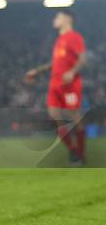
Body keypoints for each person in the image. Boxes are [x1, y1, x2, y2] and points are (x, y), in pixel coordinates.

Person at [26, 9, 86, 165]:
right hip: (55, 84)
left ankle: (80, 153)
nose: (54, 19)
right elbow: (55, 63)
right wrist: (37, 71)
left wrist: (72, 72)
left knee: (75, 118)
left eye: (57, 17)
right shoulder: (60, 39)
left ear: (67, 19)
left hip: (69, 84)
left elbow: (83, 58)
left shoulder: (74, 37)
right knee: (55, 119)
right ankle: (74, 152)